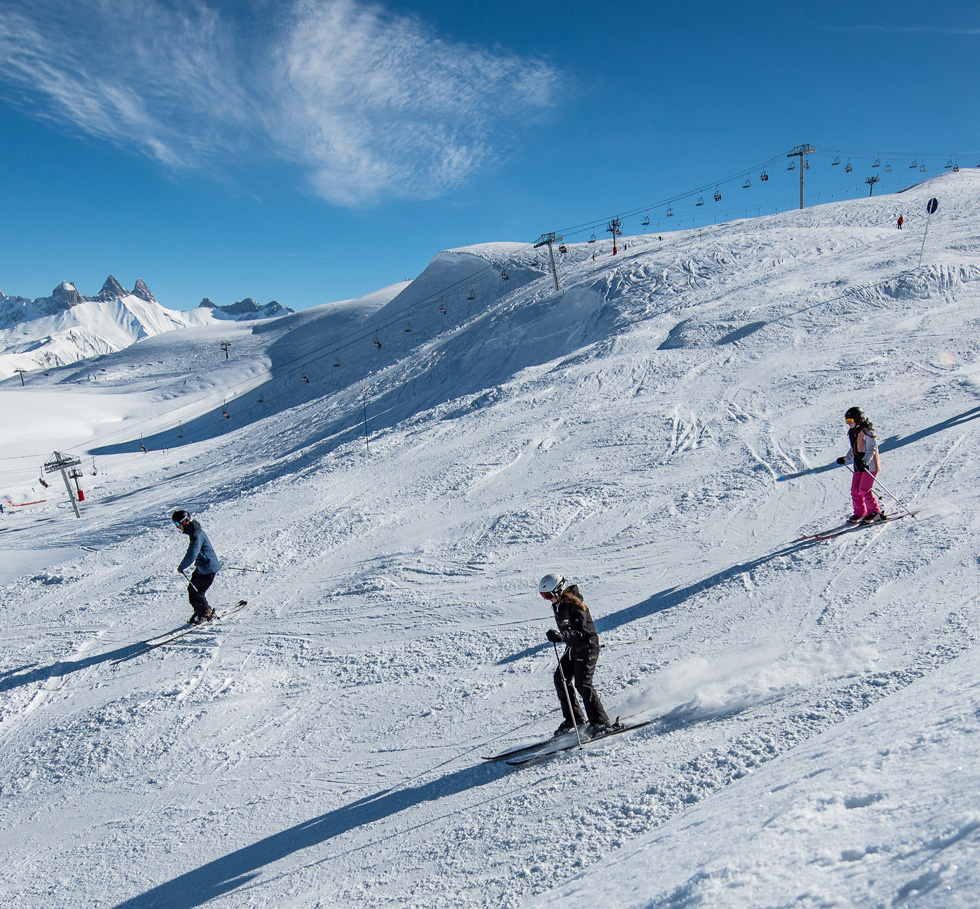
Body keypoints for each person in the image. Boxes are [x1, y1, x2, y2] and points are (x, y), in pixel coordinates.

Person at [538, 573, 613, 738]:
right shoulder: (558, 605)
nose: (547, 599)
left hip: (587, 647)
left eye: (548, 595)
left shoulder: (576, 605)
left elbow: (581, 631)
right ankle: (574, 719)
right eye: (543, 596)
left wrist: (561, 636)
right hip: (573, 648)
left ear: (558, 591)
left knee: (583, 684)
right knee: (561, 678)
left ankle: (600, 722)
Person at [835, 407, 885, 524]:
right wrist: (845, 459)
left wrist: (866, 461)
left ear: (857, 419)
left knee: (864, 489)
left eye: (850, 421)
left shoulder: (868, 431)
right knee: (855, 490)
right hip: (858, 465)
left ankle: (875, 512)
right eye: (847, 421)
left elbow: (872, 448)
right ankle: (860, 512)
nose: (848, 424)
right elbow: (854, 448)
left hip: (869, 466)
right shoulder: (854, 432)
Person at [172, 510, 222, 623]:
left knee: (197, 591)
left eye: (177, 524)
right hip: (203, 567)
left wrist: (182, 567)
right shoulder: (194, 532)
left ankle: (206, 613)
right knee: (192, 589)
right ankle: (200, 611)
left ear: (185, 522)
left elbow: (192, 553)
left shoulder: (196, 534)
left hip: (208, 568)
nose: (177, 527)